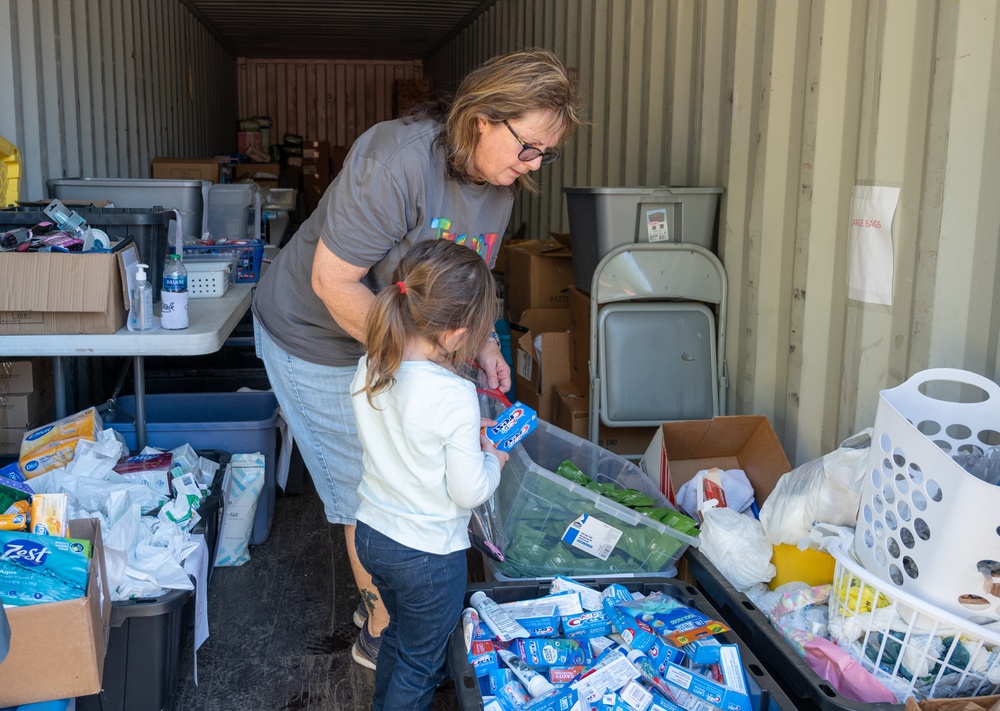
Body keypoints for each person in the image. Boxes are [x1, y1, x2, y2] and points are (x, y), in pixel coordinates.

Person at [252, 47, 582, 669]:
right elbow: (332, 282)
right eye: (527, 146)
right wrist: (425, 373)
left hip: (397, 342)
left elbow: (467, 276)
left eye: (546, 153)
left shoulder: (502, 184)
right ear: (483, 117)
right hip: (316, 334)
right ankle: (381, 636)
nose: (532, 165)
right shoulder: (397, 163)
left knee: (403, 468)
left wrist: (481, 342)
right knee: (362, 486)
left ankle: (382, 598)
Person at [351, 238, 509, 710]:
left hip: (373, 537)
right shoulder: (453, 394)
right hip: (428, 557)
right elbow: (469, 491)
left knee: (398, 641)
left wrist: (461, 437)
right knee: (421, 666)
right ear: (458, 334)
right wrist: (494, 457)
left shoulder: (370, 365)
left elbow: (405, 436)